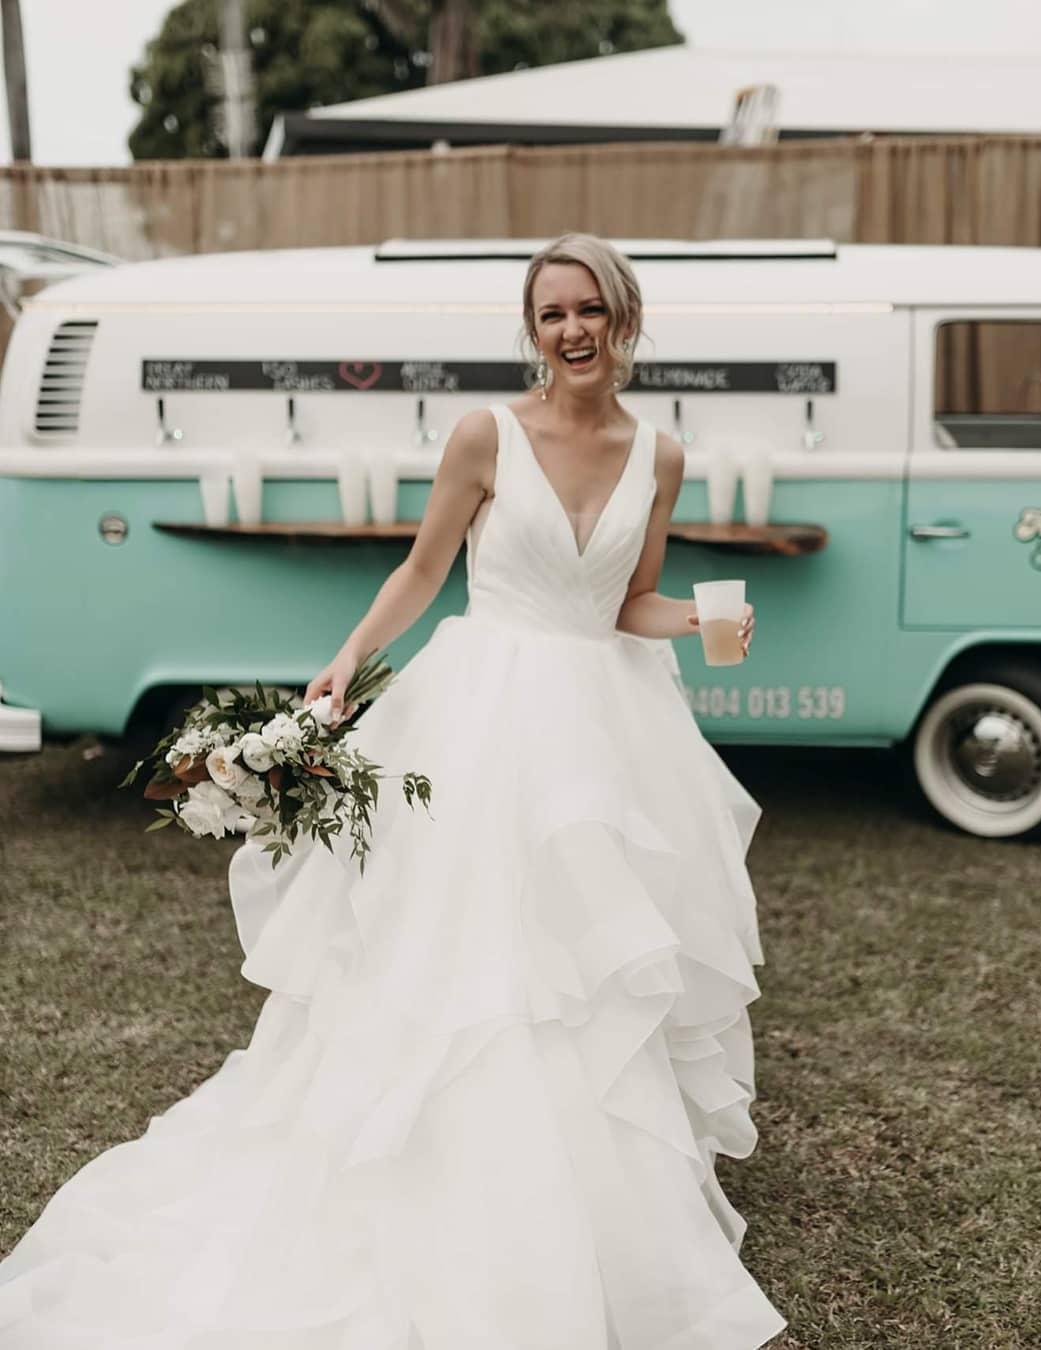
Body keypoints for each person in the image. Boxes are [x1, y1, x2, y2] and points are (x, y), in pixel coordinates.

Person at [0, 234, 787, 1348]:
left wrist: (706, 621)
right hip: (482, 712)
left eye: (590, 309)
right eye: (552, 312)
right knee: (468, 950)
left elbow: (630, 601)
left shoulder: (659, 454)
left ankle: (586, 1196)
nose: (571, 330)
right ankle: (439, 1166)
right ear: (534, 329)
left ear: (624, 318)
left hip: (603, 732)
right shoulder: (485, 435)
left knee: (583, 961)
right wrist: (350, 660)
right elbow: (424, 568)